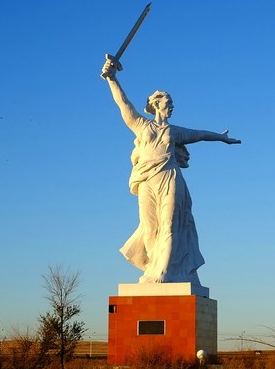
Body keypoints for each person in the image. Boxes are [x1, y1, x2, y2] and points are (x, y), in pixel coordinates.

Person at [102, 57, 240, 286]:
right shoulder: (141, 125)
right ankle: (153, 268)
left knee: (169, 224)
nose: (172, 106)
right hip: (146, 179)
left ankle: (164, 272)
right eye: (169, 101)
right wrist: (112, 78)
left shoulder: (174, 131)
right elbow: (123, 104)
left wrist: (220, 137)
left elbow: (199, 134)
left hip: (169, 176)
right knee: (149, 227)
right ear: (157, 104)